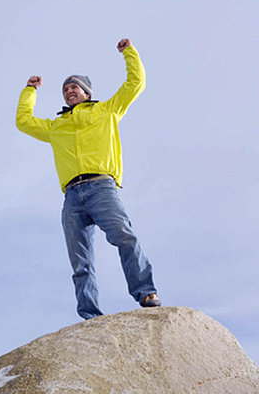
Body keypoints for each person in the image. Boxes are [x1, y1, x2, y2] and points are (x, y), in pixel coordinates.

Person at [15, 38, 160, 320]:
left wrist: (129, 52)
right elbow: (24, 121)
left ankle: (145, 291)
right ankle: (89, 314)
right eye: (66, 89)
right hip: (72, 196)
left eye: (74, 87)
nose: (70, 91)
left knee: (125, 237)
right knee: (80, 261)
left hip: (102, 187)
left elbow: (136, 83)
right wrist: (29, 91)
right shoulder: (56, 126)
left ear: (86, 92)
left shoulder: (106, 110)